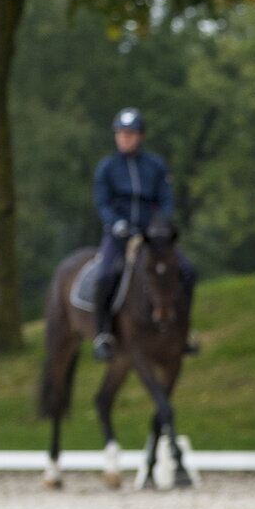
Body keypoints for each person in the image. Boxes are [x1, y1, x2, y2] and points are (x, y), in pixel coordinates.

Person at [90, 108, 197, 360]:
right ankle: (102, 335)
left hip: (153, 237)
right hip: (120, 235)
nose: (125, 138)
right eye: (121, 133)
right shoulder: (107, 168)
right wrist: (116, 223)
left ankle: (184, 331)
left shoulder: (155, 166)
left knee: (188, 271)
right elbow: (102, 204)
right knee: (105, 275)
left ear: (141, 136)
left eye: (130, 133)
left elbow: (166, 200)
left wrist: (159, 224)